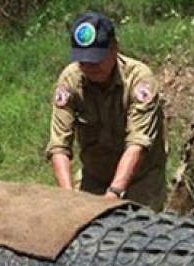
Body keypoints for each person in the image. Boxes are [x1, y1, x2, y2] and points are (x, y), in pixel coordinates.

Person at [45, 12, 168, 211]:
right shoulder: (70, 81)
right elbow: (59, 145)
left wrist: (115, 192)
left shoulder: (139, 80)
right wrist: (67, 197)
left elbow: (137, 143)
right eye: (83, 61)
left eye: (96, 60)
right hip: (95, 175)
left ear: (114, 48)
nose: (90, 67)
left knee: (139, 235)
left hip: (141, 179)